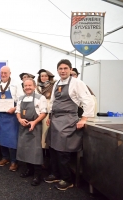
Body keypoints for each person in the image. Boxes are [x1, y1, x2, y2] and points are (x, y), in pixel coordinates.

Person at [44, 59, 95, 191]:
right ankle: (55, 174)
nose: (63, 71)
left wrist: (84, 118)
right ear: (57, 70)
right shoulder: (57, 84)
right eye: (60, 68)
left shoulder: (77, 83)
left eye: (66, 68)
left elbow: (88, 101)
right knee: (53, 149)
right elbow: (53, 102)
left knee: (63, 151)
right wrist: (50, 116)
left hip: (68, 120)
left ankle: (67, 179)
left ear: (71, 69)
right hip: (55, 120)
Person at [16, 78, 47, 186]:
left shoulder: (40, 98)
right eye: (25, 86)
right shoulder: (20, 98)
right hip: (23, 127)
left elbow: (44, 113)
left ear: (34, 86)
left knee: (35, 151)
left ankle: (37, 174)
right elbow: (18, 111)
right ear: (23, 87)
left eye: (30, 85)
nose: (27, 87)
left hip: (35, 127)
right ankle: (29, 170)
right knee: (25, 149)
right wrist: (20, 119)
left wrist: (34, 122)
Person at [0, 66, 23, 171]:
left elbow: (21, 99)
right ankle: (5, 157)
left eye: (5, 73)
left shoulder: (16, 83)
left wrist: (15, 108)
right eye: (2, 73)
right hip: (0, 115)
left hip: (12, 116)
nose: (3, 75)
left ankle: (14, 160)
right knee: (2, 136)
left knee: (12, 138)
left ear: (10, 73)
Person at [36, 69, 56, 167]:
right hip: (39, 112)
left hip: (49, 112)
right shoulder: (37, 87)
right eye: (42, 76)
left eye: (45, 76)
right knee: (40, 136)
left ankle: (48, 160)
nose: (43, 78)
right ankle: (41, 159)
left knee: (47, 135)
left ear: (49, 77)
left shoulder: (54, 86)